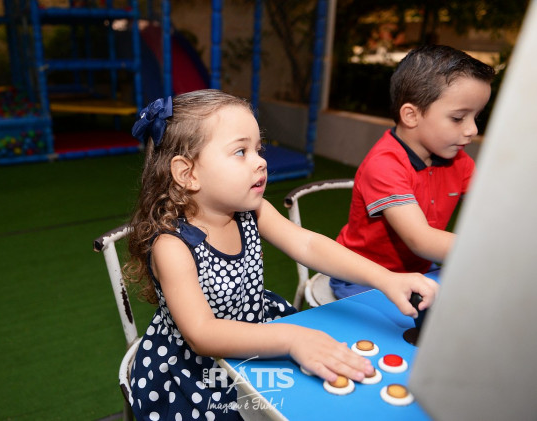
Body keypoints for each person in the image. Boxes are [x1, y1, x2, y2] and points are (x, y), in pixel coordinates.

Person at [123, 89, 438, 420]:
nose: (261, 161)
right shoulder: (172, 246)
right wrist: (290, 339)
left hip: (258, 331)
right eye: (241, 151)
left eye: (258, 149)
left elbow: (307, 245)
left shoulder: (252, 211)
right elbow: (202, 333)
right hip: (197, 371)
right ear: (188, 174)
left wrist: (386, 278)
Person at [330, 45, 495, 299]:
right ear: (411, 115)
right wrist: (495, 250)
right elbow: (421, 240)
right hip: (363, 276)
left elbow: (494, 210)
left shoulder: (459, 161)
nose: (472, 130)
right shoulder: (384, 164)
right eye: (458, 118)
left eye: (477, 117)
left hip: (419, 270)